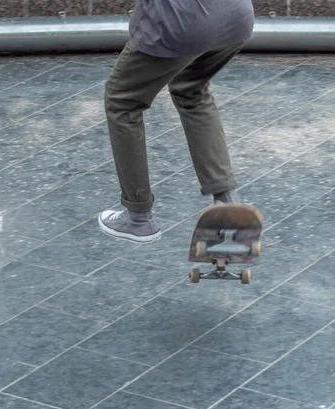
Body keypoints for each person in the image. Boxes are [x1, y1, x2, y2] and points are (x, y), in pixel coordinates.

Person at [98, 0, 255, 243]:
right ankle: (227, 201)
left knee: (122, 101)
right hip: (236, 16)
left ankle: (138, 217)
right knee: (191, 90)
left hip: (183, 22)